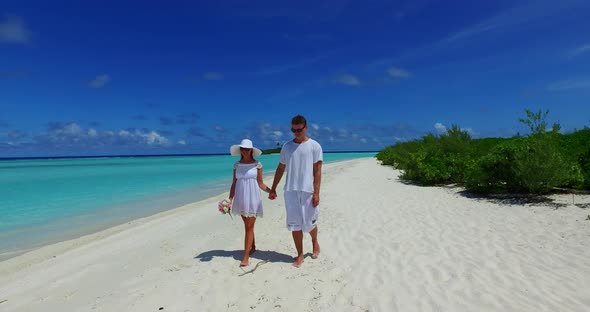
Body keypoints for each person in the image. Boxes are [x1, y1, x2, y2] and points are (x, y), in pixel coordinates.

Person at [269, 115, 323, 268]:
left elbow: (317, 171)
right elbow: (281, 168)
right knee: (294, 225)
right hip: (291, 191)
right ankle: (300, 254)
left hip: (308, 191)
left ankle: (314, 242)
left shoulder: (315, 146)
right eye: (294, 130)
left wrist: (317, 192)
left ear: (305, 128)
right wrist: (273, 188)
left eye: (299, 130)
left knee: (311, 222)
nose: (296, 132)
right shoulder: (287, 146)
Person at [229, 139, 272, 267]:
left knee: (249, 227)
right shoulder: (237, 165)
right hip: (240, 198)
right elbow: (234, 183)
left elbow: (260, 183)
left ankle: (246, 256)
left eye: (247, 149)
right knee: (246, 225)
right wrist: (230, 199)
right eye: (243, 149)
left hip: (253, 197)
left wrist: (271, 191)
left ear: (251, 150)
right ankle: (252, 246)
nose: (245, 151)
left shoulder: (257, 164)